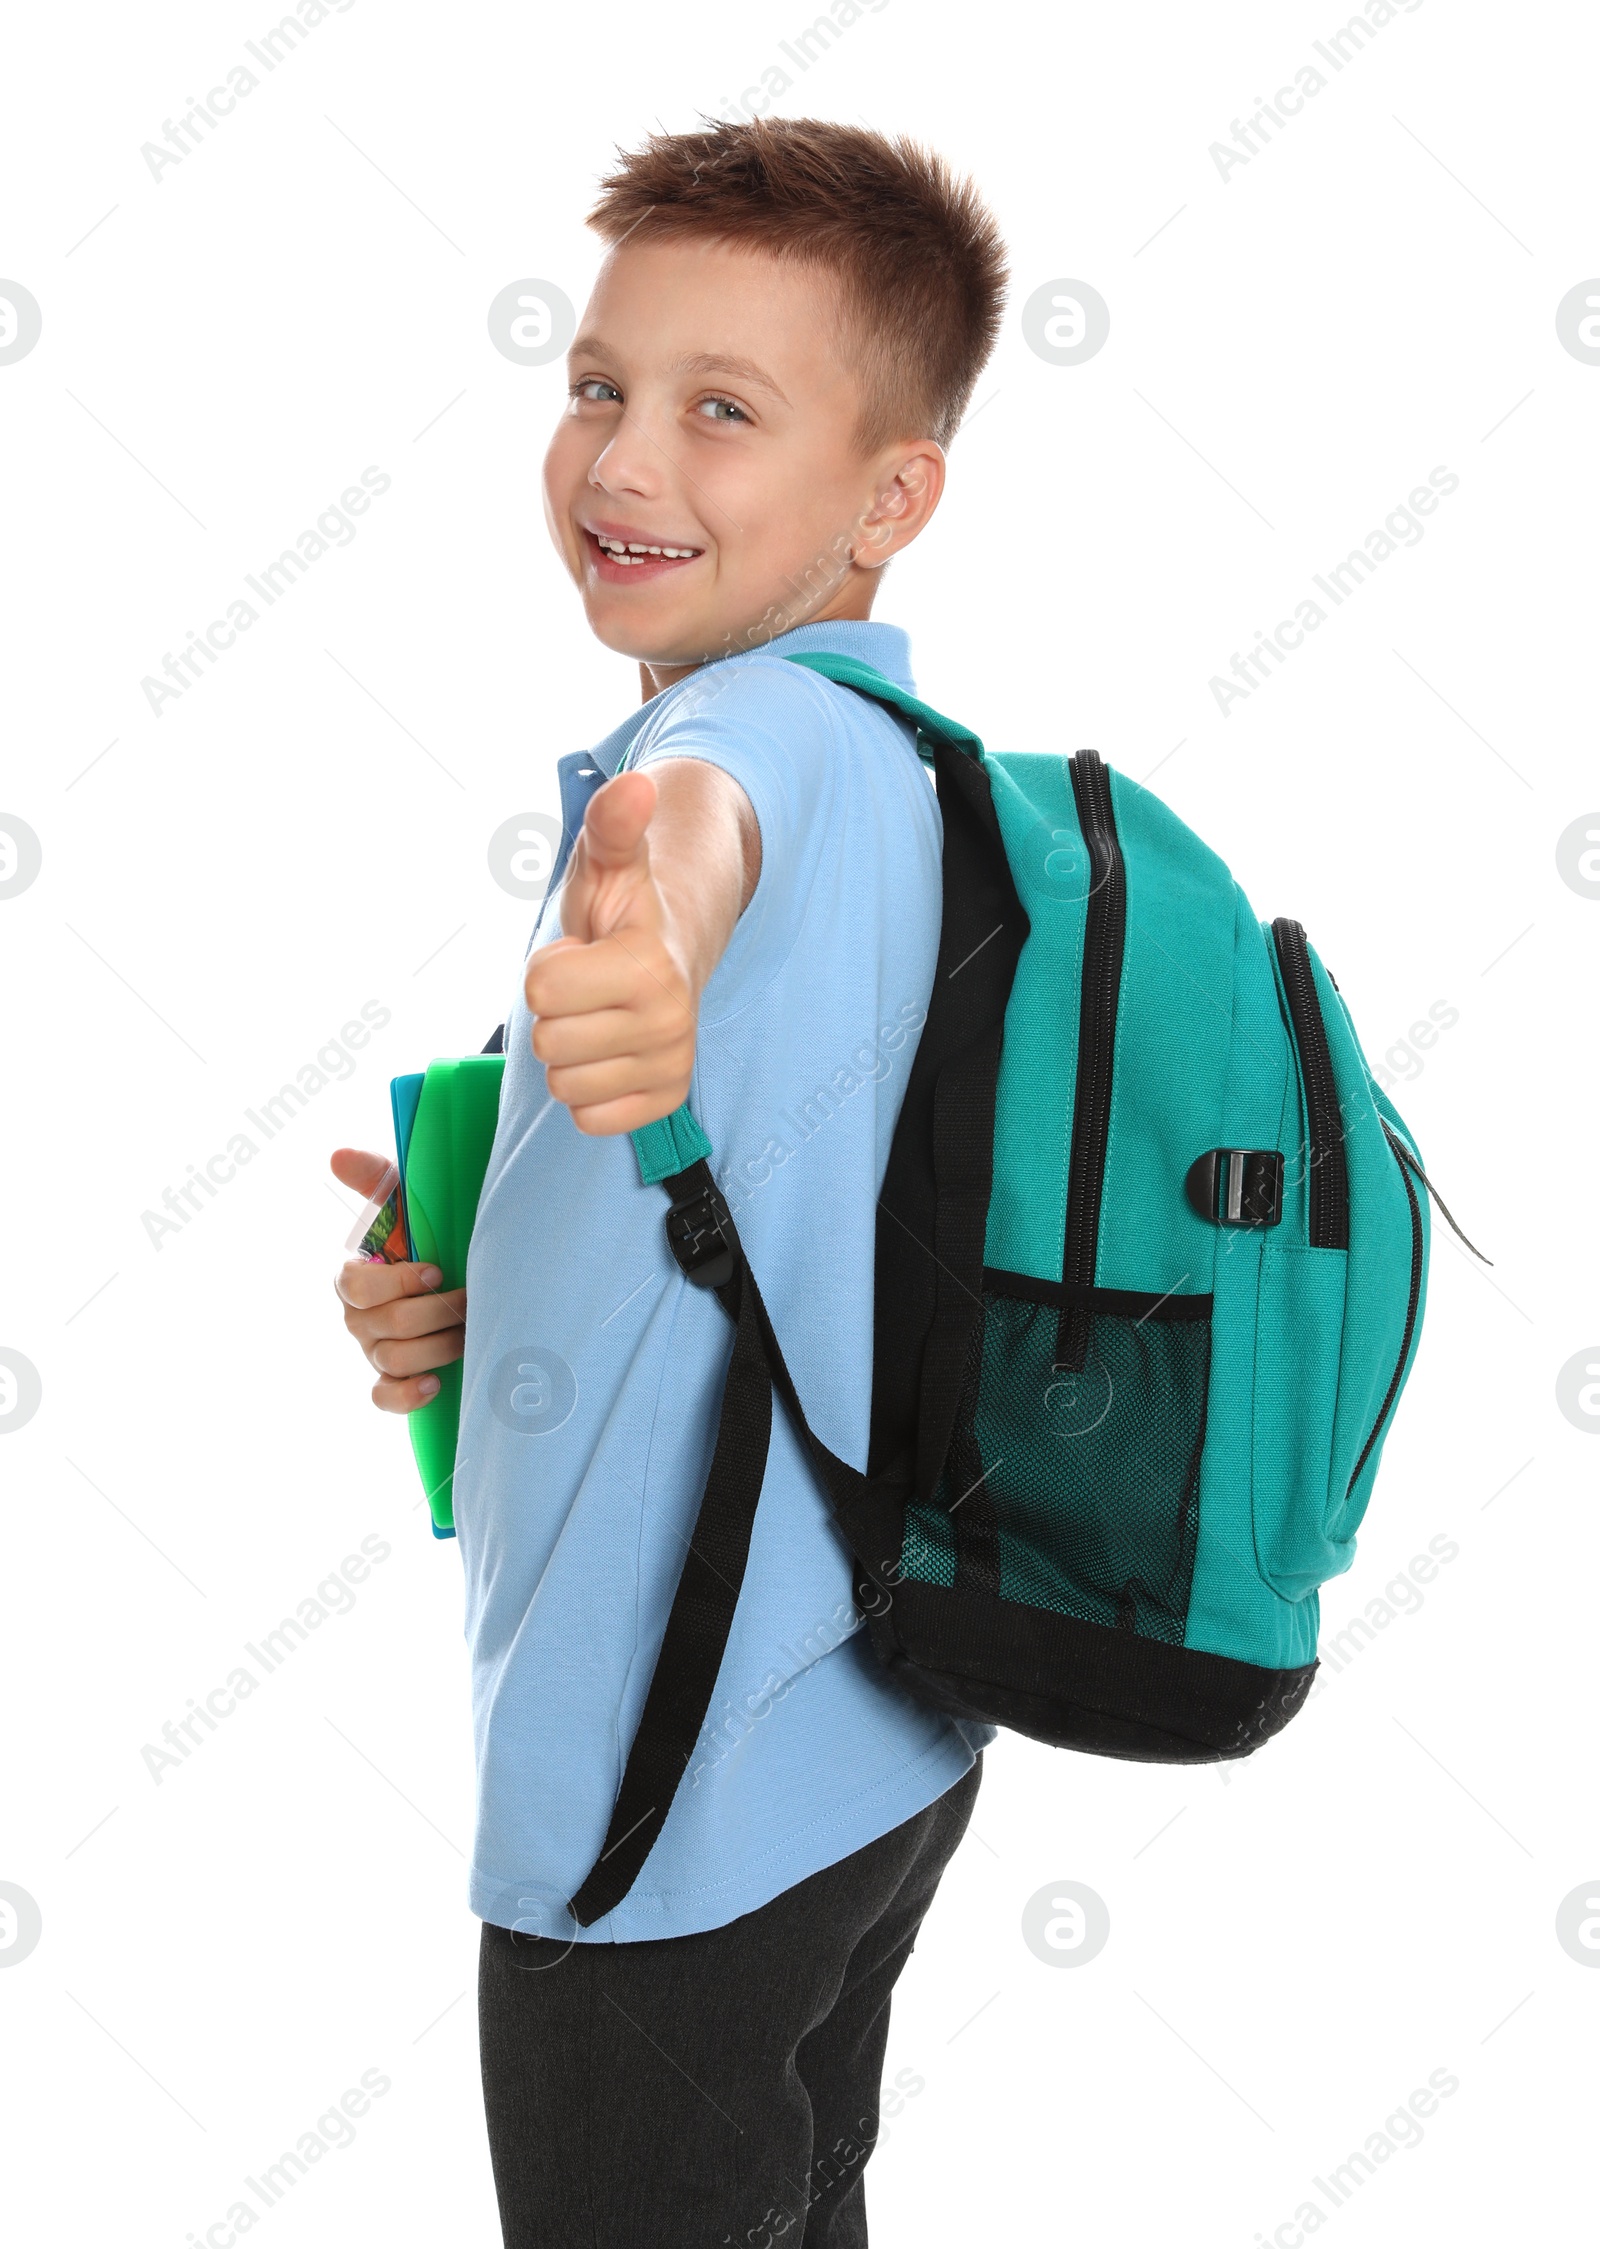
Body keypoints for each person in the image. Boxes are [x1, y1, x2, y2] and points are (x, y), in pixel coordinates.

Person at [332, 115, 1008, 2247]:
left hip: (659, 1803)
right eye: (598, 386)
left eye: (724, 412)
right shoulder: (905, 771)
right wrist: (469, 1283)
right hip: (859, 1736)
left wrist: (652, 951)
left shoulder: (744, 746)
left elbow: (697, 838)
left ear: (890, 496)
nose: (624, 461)